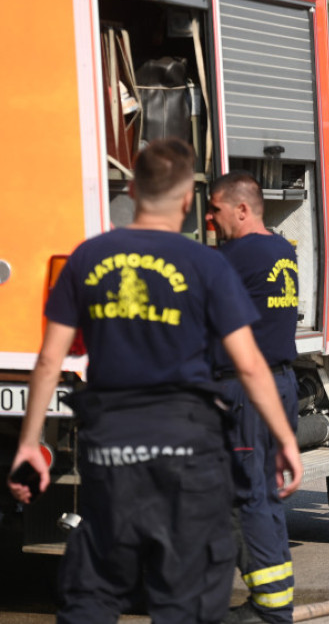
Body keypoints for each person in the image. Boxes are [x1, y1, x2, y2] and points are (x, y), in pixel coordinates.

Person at [6, 138, 302, 624]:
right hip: (188, 450)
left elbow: (47, 363)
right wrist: (286, 439)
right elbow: (249, 364)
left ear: (130, 188)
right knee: (184, 592)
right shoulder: (207, 265)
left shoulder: (86, 258)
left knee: (95, 589)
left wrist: (28, 444)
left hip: (110, 450)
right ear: (187, 200)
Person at [206, 171, 301, 624]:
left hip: (245, 391)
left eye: (215, 209)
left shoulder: (231, 258)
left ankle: (269, 610)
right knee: (264, 494)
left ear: (242, 210)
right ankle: (276, 601)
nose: (208, 218)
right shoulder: (282, 250)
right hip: (279, 385)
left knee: (247, 498)